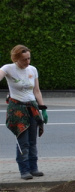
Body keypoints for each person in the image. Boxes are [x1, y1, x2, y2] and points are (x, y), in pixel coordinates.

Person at [1, 45, 48, 180]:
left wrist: (42, 108)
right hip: (17, 109)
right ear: (16, 58)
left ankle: (34, 168)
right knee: (23, 141)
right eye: (24, 60)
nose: (27, 62)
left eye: (29, 58)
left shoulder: (32, 70)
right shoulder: (8, 68)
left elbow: (37, 91)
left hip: (32, 107)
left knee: (33, 140)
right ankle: (24, 170)